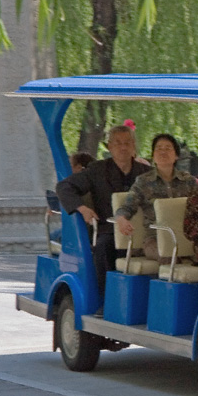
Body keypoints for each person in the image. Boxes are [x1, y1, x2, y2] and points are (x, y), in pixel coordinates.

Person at [56, 125, 151, 300]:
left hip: (142, 231)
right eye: (118, 143)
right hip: (108, 229)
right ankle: (105, 299)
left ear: (134, 146)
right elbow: (64, 187)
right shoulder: (97, 170)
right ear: (110, 147)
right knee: (103, 248)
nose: (123, 147)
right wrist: (82, 208)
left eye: (127, 143)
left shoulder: (146, 173)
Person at [115, 134, 198, 261]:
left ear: (176, 155)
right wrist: (121, 219)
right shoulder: (143, 181)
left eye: (168, 148)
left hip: (186, 236)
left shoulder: (188, 181)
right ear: (153, 156)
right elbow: (127, 206)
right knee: (168, 257)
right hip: (154, 238)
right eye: (159, 148)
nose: (163, 152)